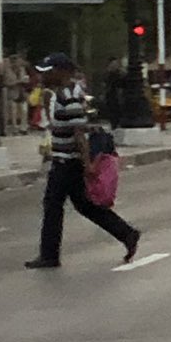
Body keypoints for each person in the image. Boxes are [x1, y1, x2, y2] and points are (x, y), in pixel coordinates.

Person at [25, 52, 140, 270]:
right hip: (66, 160)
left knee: (53, 205)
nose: (44, 77)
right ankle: (126, 233)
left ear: (62, 72)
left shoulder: (68, 97)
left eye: (48, 72)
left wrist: (87, 164)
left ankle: (49, 255)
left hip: (68, 162)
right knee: (84, 205)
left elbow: (78, 133)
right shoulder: (62, 94)